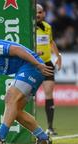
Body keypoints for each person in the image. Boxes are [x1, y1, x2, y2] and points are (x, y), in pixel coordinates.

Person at [36, 4, 62, 135]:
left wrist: (58, 56)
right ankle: (28, 127)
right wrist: (35, 53)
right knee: (26, 96)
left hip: (47, 63)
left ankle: (50, 127)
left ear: (44, 13)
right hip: (33, 64)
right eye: (36, 13)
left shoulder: (47, 27)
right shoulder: (28, 29)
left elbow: (51, 42)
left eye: (40, 12)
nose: (38, 15)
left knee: (49, 93)